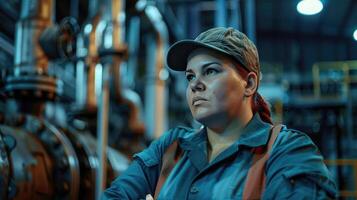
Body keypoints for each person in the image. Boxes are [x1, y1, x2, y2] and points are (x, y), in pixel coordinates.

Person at [102, 27, 337, 199]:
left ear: (249, 84)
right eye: (190, 76)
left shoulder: (286, 151)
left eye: (211, 71)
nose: (195, 84)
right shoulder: (170, 148)